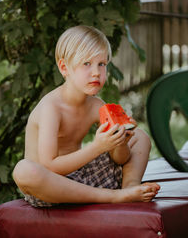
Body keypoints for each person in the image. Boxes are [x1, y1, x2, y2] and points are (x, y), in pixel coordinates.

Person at [13, 25, 160, 207]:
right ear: (64, 68)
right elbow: (49, 165)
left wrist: (120, 142)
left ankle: (129, 187)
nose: (96, 72)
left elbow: (120, 159)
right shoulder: (51, 108)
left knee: (140, 137)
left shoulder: (96, 105)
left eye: (102, 64)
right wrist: (97, 147)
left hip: (82, 179)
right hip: (50, 186)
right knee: (23, 170)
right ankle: (114, 197)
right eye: (86, 64)